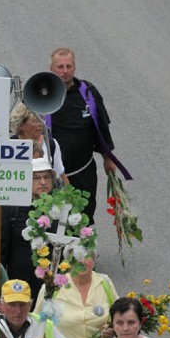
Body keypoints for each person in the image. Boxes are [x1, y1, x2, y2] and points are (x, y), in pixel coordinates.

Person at [47, 47, 119, 223]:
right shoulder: (43, 93)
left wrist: (108, 158)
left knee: (85, 209)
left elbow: (101, 128)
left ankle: (84, 244)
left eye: (69, 66)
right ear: (51, 69)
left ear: (74, 68)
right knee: (54, 212)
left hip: (83, 168)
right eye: (60, 67)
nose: (65, 71)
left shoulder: (88, 93)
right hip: (52, 170)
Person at [0, 158, 56, 301]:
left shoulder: (63, 209)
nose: (43, 182)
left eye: (47, 177)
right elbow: (2, 251)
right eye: (36, 178)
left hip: (54, 284)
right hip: (20, 286)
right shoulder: (14, 208)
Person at [10, 102, 67, 186]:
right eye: (36, 120)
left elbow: (61, 176)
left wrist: (70, 197)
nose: (41, 124)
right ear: (21, 124)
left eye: (42, 119)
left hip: (46, 197)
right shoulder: (10, 145)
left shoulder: (51, 144)